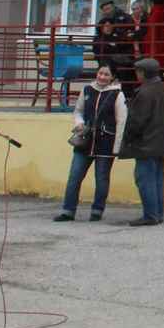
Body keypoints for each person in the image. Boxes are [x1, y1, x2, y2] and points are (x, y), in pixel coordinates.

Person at [56, 61, 127, 223]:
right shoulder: (87, 90)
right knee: (74, 177)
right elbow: (78, 111)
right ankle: (68, 210)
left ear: (112, 77)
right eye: (100, 73)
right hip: (85, 141)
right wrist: (79, 123)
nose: (102, 77)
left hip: (106, 142)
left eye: (106, 74)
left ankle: (97, 210)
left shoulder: (117, 94)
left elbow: (121, 122)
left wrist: (117, 146)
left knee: (101, 179)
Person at [117, 55, 164, 228]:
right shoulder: (162, 89)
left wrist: (128, 138)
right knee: (157, 179)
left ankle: (150, 215)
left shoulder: (144, 92)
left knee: (144, 179)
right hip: (161, 143)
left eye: (138, 71)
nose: (136, 74)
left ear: (143, 72)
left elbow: (137, 121)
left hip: (146, 143)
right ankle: (157, 213)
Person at [142, 0, 164, 72]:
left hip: (153, 46)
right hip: (161, 44)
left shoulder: (156, 12)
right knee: (158, 71)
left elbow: (152, 31)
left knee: (152, 71)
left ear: (153, 2)